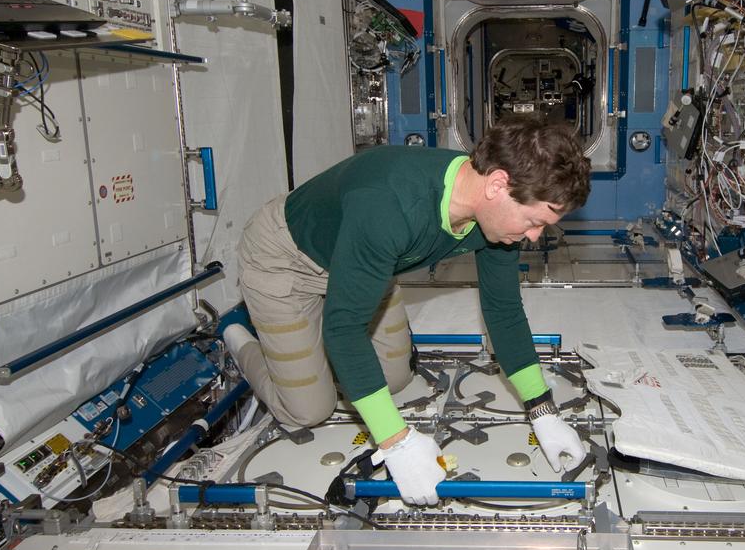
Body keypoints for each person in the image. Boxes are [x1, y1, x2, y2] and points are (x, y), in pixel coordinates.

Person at [223, 118, 592, 505]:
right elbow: (345, 327)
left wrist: (542, 410)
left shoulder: (497, 218)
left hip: (365, 261)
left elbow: (504, 310)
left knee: (395, 380)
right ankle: (237, 334)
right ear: (498, 184)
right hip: (288, 259)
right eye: (535, 222)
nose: (535, 236)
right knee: (309, 409)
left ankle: (314, 361)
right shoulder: (392, 204)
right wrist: (396, 443)